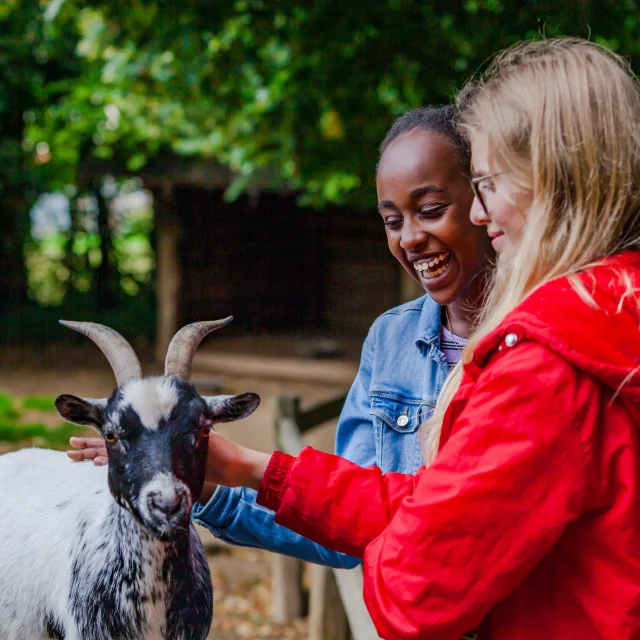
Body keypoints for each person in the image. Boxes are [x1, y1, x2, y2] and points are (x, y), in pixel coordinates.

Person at [196, 38, 640, 639]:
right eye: (390, 219)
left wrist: (410, 542)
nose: (482, 214)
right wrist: (243, 471)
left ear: (554, 178)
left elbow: (413, 587)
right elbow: (421, 501)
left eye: (487, 184)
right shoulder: (613, 310)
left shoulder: (545, 362)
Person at [68, 105, 493, 567]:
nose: (409, 237)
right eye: (392, 221)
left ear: (487, 201)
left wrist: (248, 465)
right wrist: (206, 485)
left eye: (430, 210)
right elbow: (345, 522)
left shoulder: (531, 344)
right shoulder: (391, 340)